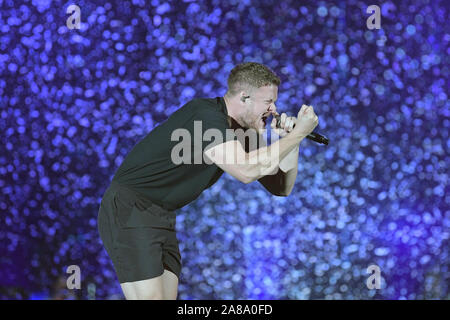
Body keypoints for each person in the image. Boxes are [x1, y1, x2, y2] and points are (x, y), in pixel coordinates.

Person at [97, 62, 319, 300]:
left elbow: (281, 187)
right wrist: (298, 134)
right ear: (244, 97)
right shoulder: (205, 116)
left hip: (162, 214)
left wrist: (290, 141)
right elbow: (246, 171)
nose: (274, 109)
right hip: (132, 207)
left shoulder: (241, 132)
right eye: (268, 102)